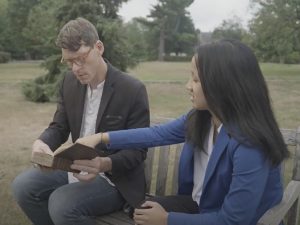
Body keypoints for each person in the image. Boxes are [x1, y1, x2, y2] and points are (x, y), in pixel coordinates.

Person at [74, 39, 289, 225]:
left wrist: (168, 220)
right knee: (142, 212)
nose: (188, 86)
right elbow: (156, 135)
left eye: (195, 79)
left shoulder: (250, 144)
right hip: (200, 207)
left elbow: (233, 220)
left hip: (228, 219)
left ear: (222, 85)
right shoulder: (203, 117)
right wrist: (101, 137)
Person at [12, 17, 150, 225]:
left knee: (61, 204)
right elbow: (59, 126)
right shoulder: (68, 83)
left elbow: (138, 151)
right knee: (23, 186)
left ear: (99, 48)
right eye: (69, 62)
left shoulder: (132, 89)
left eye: (81, 59)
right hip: (75, 169)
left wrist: (103, 164)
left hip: (115, 180)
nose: (76, 68)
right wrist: (42, 143)